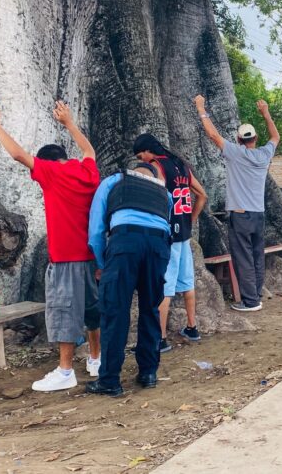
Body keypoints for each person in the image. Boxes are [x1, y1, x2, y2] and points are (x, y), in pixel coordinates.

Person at [0, 100, 101, 392]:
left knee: (64, 312)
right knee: (92, 310)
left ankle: (65, 371)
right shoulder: (87, 172)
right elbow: (89, 151)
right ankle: (96, 358)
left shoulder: (52, 173)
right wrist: (69, 123)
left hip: (66, 258)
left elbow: (17, 154)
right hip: (91, 257)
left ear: (47, 162)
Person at [86, 163, 172, 396]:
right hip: (158, 246)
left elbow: (96, 229)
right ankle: (149, 373)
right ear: (154, 177)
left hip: (125, 242)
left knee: (115, 311)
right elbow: (168, 229)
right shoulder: (164, 193)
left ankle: (110, 381)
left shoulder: (114, 181)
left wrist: (102, 264)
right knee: (150, 309)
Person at [194, 95, 279, 312]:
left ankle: (250, 301)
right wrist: (266, 114)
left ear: (239, 139)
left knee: (243, 258)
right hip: (258, 214)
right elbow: (275, 136)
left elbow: (213, 135)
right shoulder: (264, 154)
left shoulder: (235, 153)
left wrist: (201, 109)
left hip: (241, 215)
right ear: (255, 138)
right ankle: (255, 295)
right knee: (257, 256)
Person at [133, 134, 207, 351]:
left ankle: (161, 338)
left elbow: (154, 197)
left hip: (168, 234)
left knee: (164, 287)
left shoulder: (157, 167)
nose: (142, 161)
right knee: (187, 282)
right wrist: (190, 220)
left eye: (141, 156)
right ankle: (192, 327)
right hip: (184, 233)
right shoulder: (181, 165)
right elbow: (202, 195)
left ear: (148, 151)